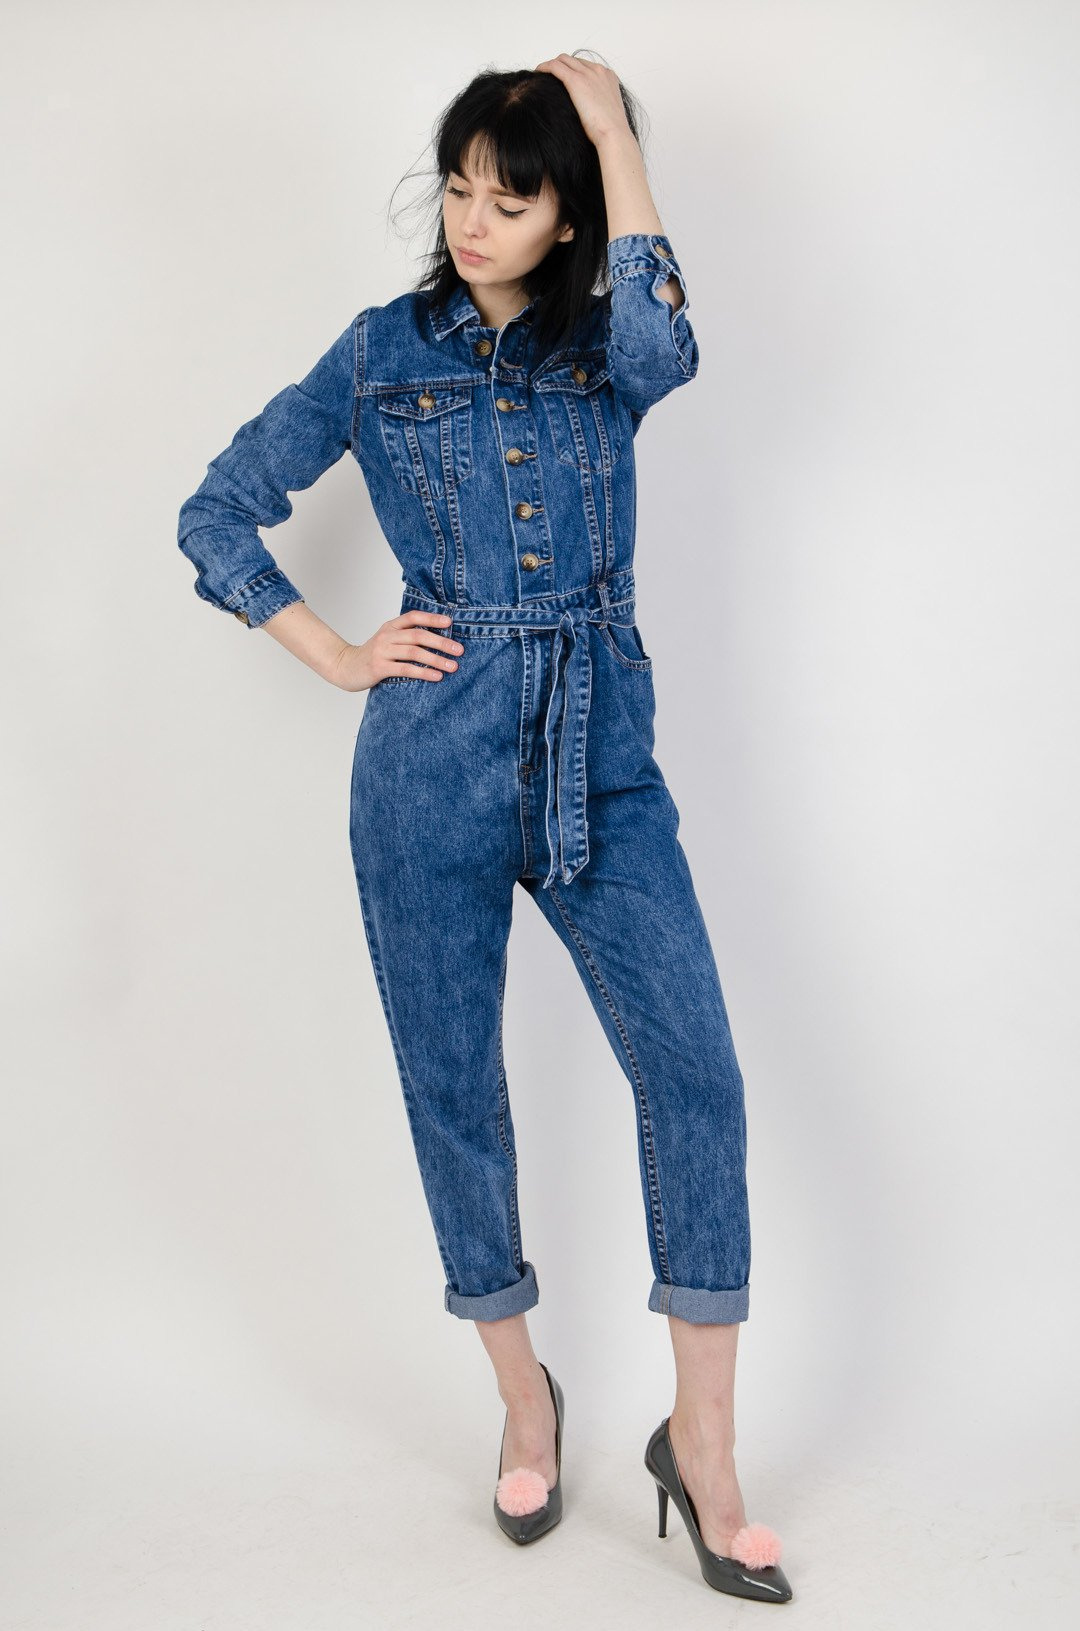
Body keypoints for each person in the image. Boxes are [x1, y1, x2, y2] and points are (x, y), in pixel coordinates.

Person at [176, 52, 793, 1604]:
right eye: (458, 186)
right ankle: (524, 1398)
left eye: (512, 198)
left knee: (697, 1076)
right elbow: (216, 510)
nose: (471, 220)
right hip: (428, 766)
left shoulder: (607, 350)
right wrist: (336, 653)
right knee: (455, 1089)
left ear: (570, 213)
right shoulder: (381, 353)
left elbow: (670, 346)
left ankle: (704, 1447)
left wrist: (611, 133)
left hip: (603, 762)